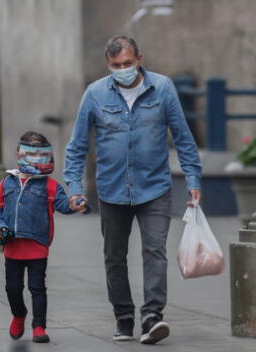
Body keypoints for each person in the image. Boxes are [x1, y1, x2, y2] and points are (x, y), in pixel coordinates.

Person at [63, 36, 202, 344]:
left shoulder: (163, 88)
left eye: (127, 63)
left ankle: (153, 316)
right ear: (108, 65)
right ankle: (124, 317)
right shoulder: (95, 94)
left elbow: (183, 136)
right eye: (116, 66)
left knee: (155, 251)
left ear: (140, 58)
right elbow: (77, 147)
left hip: (154, 187)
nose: (123, 70)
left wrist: (193, 180)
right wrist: (74, 187)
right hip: (111, 190)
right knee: (114, 256)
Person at [0, 131, 79, 343]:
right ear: (20, 154)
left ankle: (39, 326)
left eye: (41, 154)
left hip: (37, 245)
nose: (36, 159)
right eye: (31, 153)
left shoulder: (50, 186)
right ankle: (19, 314)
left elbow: (63, 205)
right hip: (12, 246)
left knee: (37, 287)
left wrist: (74, 204)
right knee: (13, 288)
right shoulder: (7, 183)